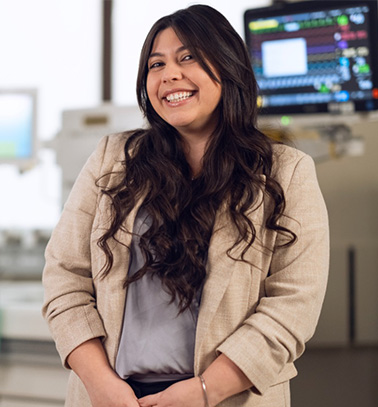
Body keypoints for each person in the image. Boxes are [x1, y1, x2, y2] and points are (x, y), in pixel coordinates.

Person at [42, 4, 329, 407]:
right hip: (111, 395)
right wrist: (99, 383)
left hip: (228, 397)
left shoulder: (285, 171)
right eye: (155, 64)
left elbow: (293, 304)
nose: (169, 74)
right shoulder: (112, 159)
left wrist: (205, 390)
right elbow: (64, 278)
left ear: (228, 67)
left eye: (188, 57)